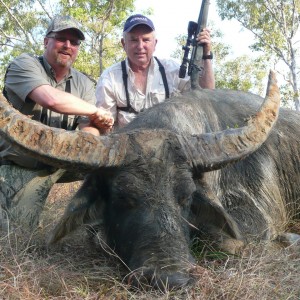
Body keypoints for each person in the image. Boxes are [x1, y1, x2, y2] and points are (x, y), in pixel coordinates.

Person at [0, 15, 113, 230]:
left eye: (74, 42)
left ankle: (103, 227)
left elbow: (86, 125)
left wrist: (93, 136)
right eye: (61, 38)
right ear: (46, 41)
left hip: (63, 161)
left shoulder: (84, 83)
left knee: (114, 168)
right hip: (23, 164)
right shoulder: (23, 64)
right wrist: (96, 111)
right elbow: (51, 99)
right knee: (19, 233)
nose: (68, 46)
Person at [95, 14, 215, 131]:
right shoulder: (109, 78)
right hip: (126, 147)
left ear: (155, 43)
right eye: (134, 40)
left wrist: (206, 54)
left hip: (169, 146)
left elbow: (206, 94)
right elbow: (104, 126)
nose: (140, 46)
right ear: (123, 43)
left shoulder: (172, 70)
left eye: (146, 40)